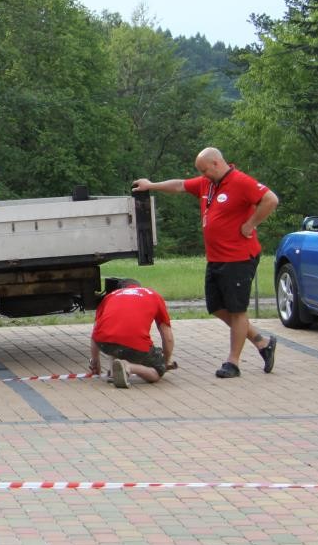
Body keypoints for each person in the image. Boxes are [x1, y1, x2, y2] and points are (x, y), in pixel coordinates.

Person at [132, 147, 279, 379]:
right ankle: (262, 342)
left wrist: (250, 224)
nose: (203, 175)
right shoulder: (207, 184)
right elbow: (180, 185)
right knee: (216, 307)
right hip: (216, 258)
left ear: (216, 163)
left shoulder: (241, 182)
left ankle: (233, 362)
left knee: (237, 310)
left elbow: (271, 199)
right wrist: (151, 185)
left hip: (239, 258)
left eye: (204, 170)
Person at [89, 279, 175, 388]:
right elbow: (168, 337)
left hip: (103, 342)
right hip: (135, 344)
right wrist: (165, 362)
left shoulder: (110, 296)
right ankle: (128, 367)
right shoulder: (153, 295)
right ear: (139, 287)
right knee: (157, 371)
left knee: (114, 337)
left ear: (121, 289)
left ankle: (114, 372)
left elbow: (95, 331)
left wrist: (95, 362)